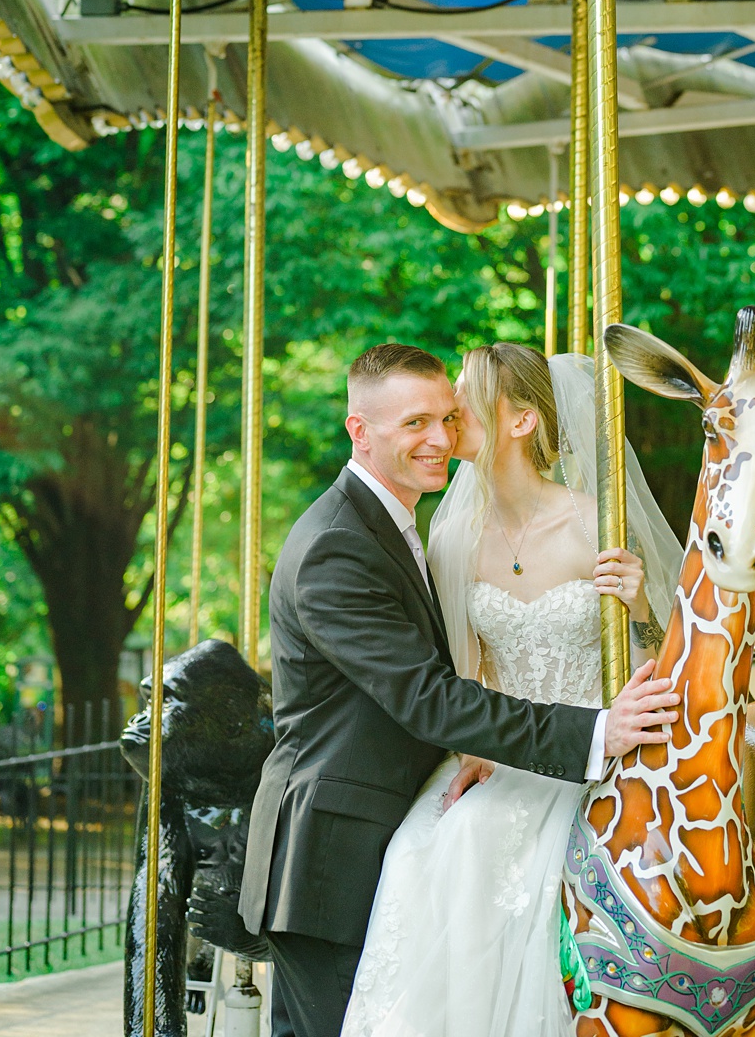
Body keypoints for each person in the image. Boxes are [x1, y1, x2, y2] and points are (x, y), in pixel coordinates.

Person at [238, 342, 679, 1037]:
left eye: (450, 415)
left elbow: (448, 688)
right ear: (361, 431)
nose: (442, 435)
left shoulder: (406, 524)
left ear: (523, 421)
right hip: (334, 846)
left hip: (519, 769)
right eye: (417, 423)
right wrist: (585, 733)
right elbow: (436, 697)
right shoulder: (342, 543)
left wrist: (643, 616)